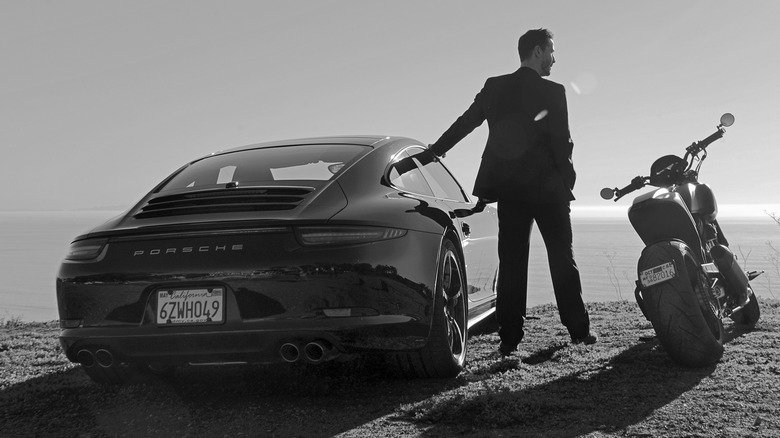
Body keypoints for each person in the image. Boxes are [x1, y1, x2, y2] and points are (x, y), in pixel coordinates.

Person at [428, 28, 595, 356]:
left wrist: (437, 149)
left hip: (510, 189)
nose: (553, 59)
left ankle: (509, 339)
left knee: (512, 262)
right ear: (536, 51)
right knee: (562, 259)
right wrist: (568, 180)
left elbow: (466, 122)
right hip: (549, 191)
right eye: (550, 52)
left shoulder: (495, 87)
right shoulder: (553, 91)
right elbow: (563, 141)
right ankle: (579, 331)